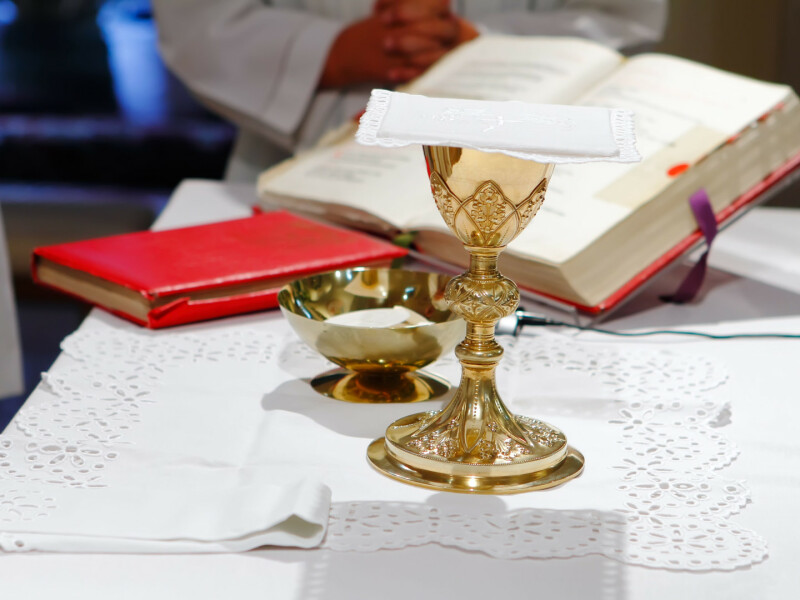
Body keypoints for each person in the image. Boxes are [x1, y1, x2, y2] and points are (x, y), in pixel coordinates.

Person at [152, 0, 668, 181]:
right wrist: (337, 50)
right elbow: (198, 18)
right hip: (302, 154)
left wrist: (481, 45)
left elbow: (621, 17)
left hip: (514, 157)